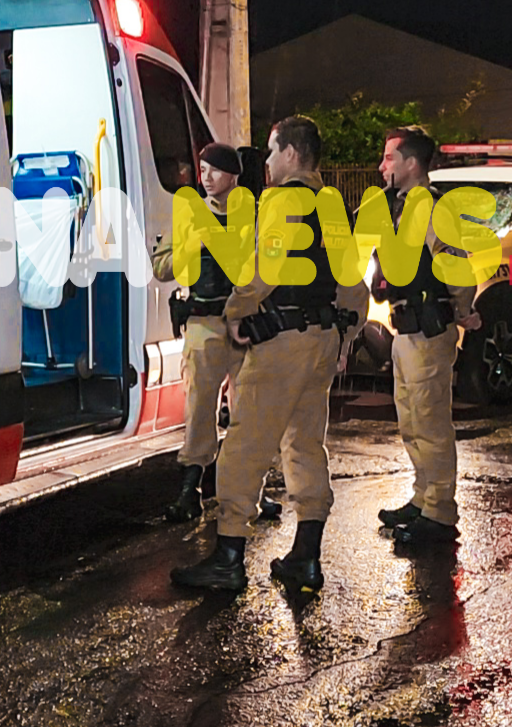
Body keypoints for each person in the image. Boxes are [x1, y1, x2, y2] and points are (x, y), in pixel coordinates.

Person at [171, 116, 368, 593]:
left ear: (292, 154)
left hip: (281, 343)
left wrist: (236, 312)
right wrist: (344, 338)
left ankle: (228, 559)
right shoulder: (331, 204)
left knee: (243, 448)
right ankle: (306, 556)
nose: (268, 161)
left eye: (273, 151)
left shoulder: (282, 200)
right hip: (321, 342)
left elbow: (263, 270)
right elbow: (353, 285)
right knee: (305, 446)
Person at [152, 143, 281, 522]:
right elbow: (161, 267)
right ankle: (189, 491)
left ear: (234, 176)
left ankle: (251, 492)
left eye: (214, 170)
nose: (206, 177)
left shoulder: (253, 218)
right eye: (203, 169)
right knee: (198, 411)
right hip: (204, 324)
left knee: (249, 413)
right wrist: (193, 245)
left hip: (246, 328)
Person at [372, 126, 481, 546]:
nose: (381, 166)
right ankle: (423, 498)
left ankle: (439, 513)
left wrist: (463, 312)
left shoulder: (432, 210)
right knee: (411, 421)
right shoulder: (399, 208)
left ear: (412, 163)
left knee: (431, 423)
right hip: (406, 329)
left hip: (429, 330)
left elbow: (457, 268)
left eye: (389, 158)